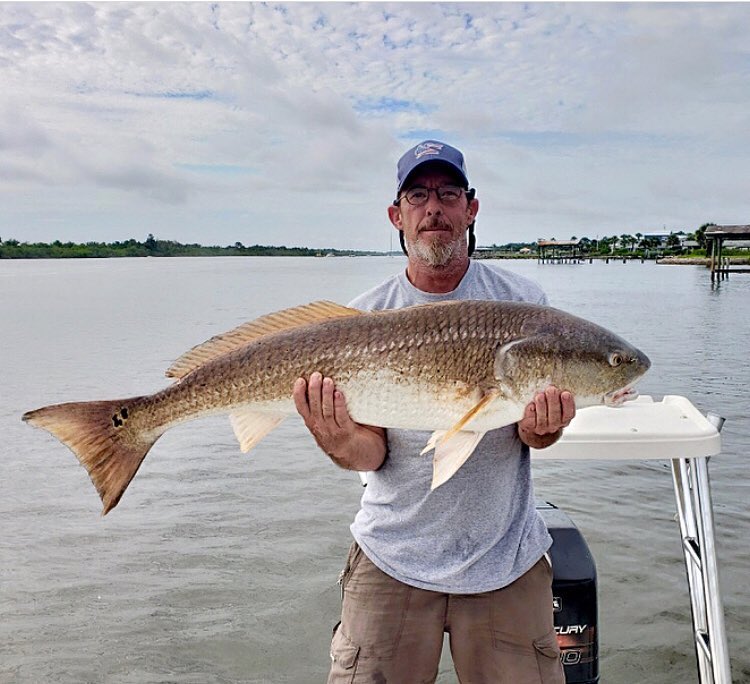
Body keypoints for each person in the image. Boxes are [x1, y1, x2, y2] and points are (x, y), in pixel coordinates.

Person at [293, 140, 575, 683]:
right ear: (397, 215)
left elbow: (528, 435)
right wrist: (333, 436)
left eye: (448, 193)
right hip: (391, 556)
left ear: (471, 208)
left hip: (505, 560)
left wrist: (548, 429)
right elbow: (369, 450)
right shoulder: (362, 318)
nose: (434, 209)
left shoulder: (524, 306)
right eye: (418, 195)